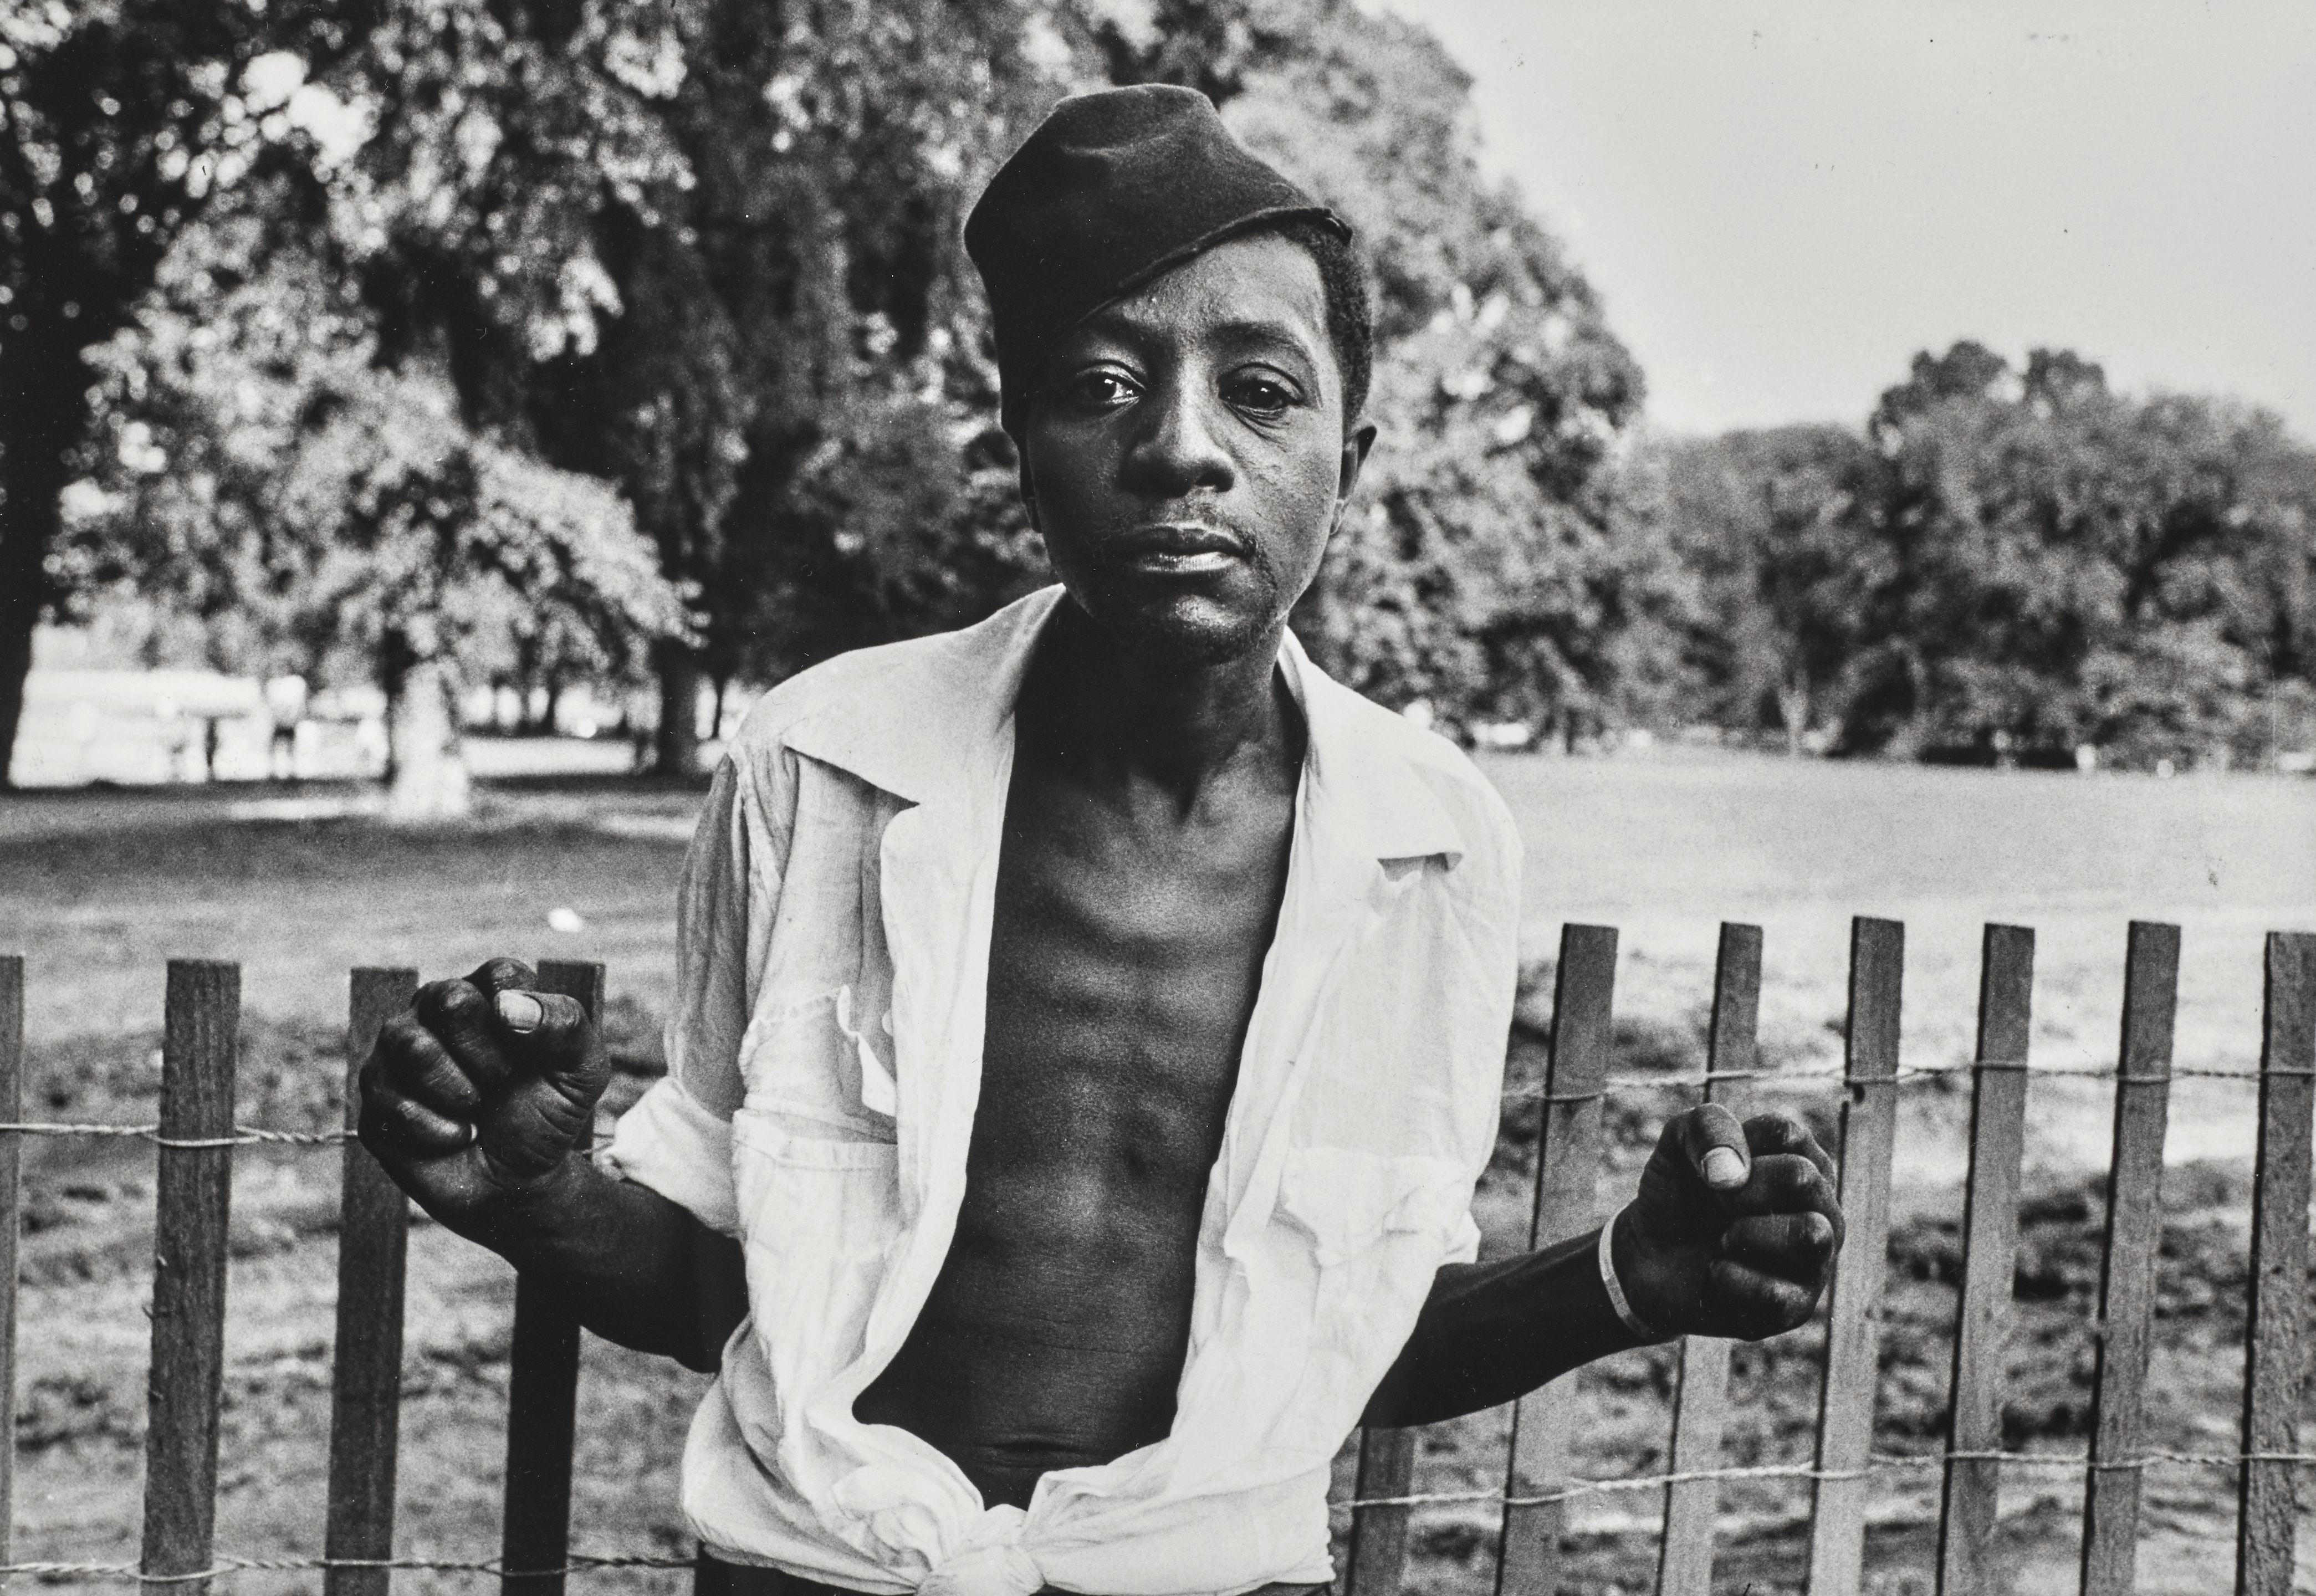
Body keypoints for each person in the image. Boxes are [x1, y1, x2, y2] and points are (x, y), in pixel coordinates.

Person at [360, 85, 1842, 1596]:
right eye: (1101, 384)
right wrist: (535, 1194)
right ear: (1018, 438)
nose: (1181, 449)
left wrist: (1626, 1278)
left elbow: (1335, 1352)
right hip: (827, 1567)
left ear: (1355, 452)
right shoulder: (817, 764)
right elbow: (733, 1295)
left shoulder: (1434, 846)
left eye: (1261, 392)